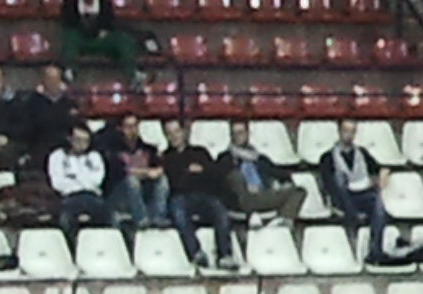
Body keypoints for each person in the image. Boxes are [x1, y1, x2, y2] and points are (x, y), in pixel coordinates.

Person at [161, 117, 240, 270]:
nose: (174, 136)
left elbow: (214, 174)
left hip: (205, 195)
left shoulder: (200, 152)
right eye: (169, 133)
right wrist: (190, 172)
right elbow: (175, 182)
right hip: (181, 197)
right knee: (178, 212)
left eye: (176, 131)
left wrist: (195, 172)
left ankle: (225, 255)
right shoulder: (166, 157)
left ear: (184, 132)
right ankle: (196, 253)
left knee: (220, 211)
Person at [219, 118, 306, 228]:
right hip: (240, 200)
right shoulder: (225, 158)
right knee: (235, 176)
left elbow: (278, 173)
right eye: (234, 133)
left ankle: (282, 221)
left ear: (247, 134)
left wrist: (285, 182)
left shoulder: (260, 158)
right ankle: (251, 214)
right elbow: (221, 181)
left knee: (299, 191)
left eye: (240, 133)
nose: (237, 136)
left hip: (262, 194)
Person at [58, 0, 141, 83]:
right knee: (70, 37)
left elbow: (110, 23)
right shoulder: (70, 2)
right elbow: (67, 23)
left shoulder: (105, 3)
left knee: (123, 38)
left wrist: (105, 31)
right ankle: (69, 71)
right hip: (80, 39)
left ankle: (133, 73)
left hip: (100, 40)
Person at [93, 111, 165, 232]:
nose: (132, 130)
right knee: (131, 181)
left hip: (144, 191)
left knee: (162, 180)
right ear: (121, 129)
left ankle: (158, 217)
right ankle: (141, 219)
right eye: (128, 126)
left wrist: (157, 171)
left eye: (135, 126)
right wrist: (146, 173)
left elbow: (158, 168)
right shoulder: (112, 150)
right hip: (119, 194)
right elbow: (121, 172)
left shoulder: (148, 149)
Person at [317, 116, 384, 242]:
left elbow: (378, 169)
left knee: (378, 202)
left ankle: (375, 247)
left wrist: (379, 179)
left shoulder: (362, 153)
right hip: (341, 198)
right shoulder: (327, 157)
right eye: (346, 131)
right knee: (339, 179)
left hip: (362, 194)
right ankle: (354, 220)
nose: (349, 135)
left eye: (352, 131)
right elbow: (328, 184)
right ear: (339, 131)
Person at [45, 120, 114, 241]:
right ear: (69, 139)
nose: (82, 144)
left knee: (109, 216)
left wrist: (74, 178)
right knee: (65, 218)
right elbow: (57, 182)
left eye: (85, 141)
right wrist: (82, 182)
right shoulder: (57, 156)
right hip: (68, 197)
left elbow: (97, 180)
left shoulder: (94, 157)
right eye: (78, 140)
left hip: (92, 196)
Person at [12, 64, 81, 173]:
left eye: (55, 79)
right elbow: (26, 129)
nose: (53, 83)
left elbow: (77, 127)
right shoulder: (32, 103)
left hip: (65, 149)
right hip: (40, 148)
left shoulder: (69, 104)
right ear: (43, 81)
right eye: (49, 79)